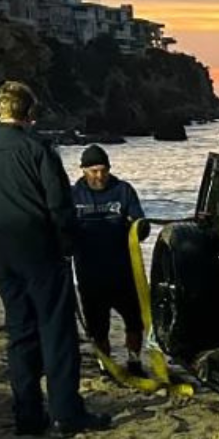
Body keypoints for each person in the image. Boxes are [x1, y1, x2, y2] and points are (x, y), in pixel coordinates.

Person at [0, 82, 111, 438]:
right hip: (39, 246)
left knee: (20, 330)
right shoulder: (38, 150)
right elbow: (59, 204)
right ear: (30, 115)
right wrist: (67, 243)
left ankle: (27, 413)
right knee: (56, 330)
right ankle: (65, 412)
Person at [70, 145, 148, 375]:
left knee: (134, 321)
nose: (99, 176)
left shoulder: (123, 190)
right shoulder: (73, 195)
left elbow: (140, 223)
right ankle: (106, 364)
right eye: (93, 171)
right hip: (89, 272)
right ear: (83, 170)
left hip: (123, 270)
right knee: (97, 326)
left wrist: (140, 227)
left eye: (103, 170)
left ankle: (134, 361)